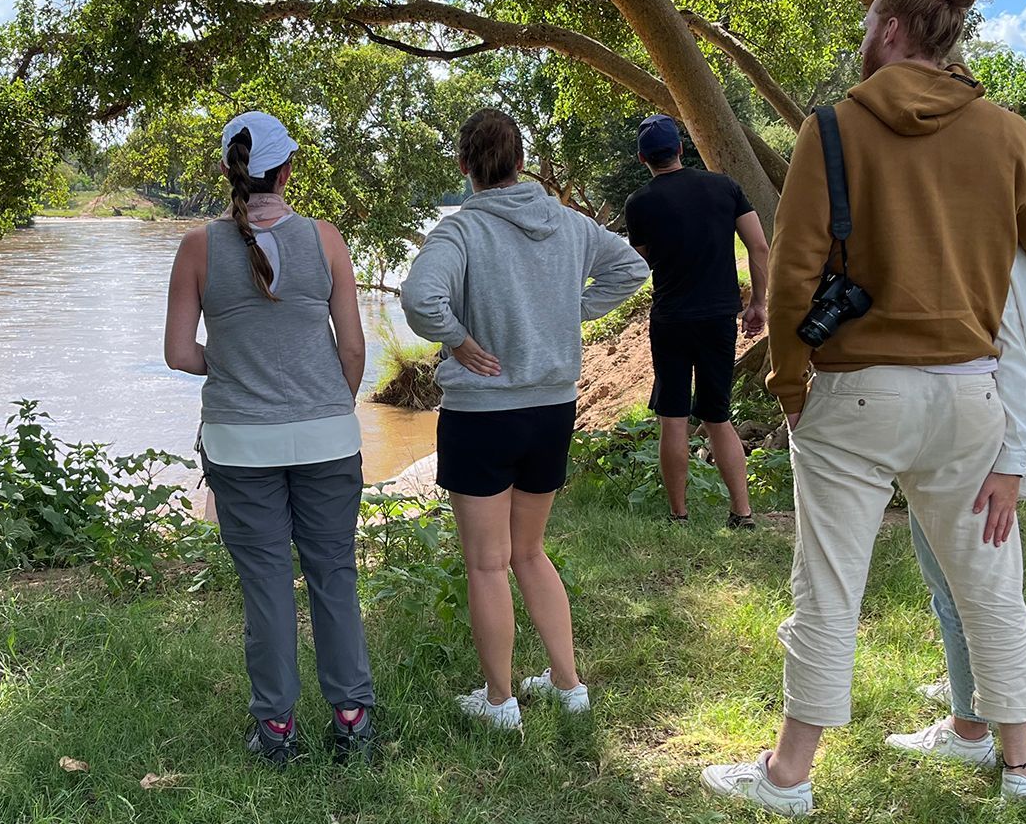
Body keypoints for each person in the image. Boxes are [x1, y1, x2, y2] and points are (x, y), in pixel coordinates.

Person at [701, 0, 1026, 815]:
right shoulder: (1011, 134)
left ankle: (789, 777)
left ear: (894, 30)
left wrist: (790, 383)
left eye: (869, 22)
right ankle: (1022, 769)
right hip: (970, 399)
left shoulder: (832, 129)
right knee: (989, 579)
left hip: (856, 394)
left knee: (829, 584)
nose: (863, 35)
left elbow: (797, 269)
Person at [401, 109, 648, 730]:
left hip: (483, 414)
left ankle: (499, 702)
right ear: (521, 162)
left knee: (487, 562)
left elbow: (418, 298)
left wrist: (457, 340)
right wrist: (570, 312)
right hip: (551, 410)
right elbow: (633, 268)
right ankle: (569, 687)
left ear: (465, 167)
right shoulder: (568, 224)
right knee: (531, 552)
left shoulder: (460, 232)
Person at [164, 111, 376, 767]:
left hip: (238, 445)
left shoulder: (197, 248)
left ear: (229, 171)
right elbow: (353, 348)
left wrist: (230, 368)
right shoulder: (328, 239)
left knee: (265, 583)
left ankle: (278, 731)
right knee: (333, 574)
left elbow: (178, 353)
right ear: (288, 171)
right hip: (328, 439)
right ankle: (351, 717)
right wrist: (324, 409)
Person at [888, 249, 1026, 766]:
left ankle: (979, 737)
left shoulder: (987, 235)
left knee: (975, 596)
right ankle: (971, 711)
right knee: (953, 590)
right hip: (960, 434)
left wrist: (1012, 464)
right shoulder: (964, 223)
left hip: (977, 443)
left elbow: (1018, 356)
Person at [623, 113, 770, 527]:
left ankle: (679, 514)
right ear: (681, 149)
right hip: (719, 318)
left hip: (670, 319)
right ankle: (742, 513)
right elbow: (758, 246)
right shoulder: (725, 187)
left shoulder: (640, 203)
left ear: (642, 158)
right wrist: (758, 303)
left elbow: (641, 263)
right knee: (717, 415)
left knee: (672, 416)